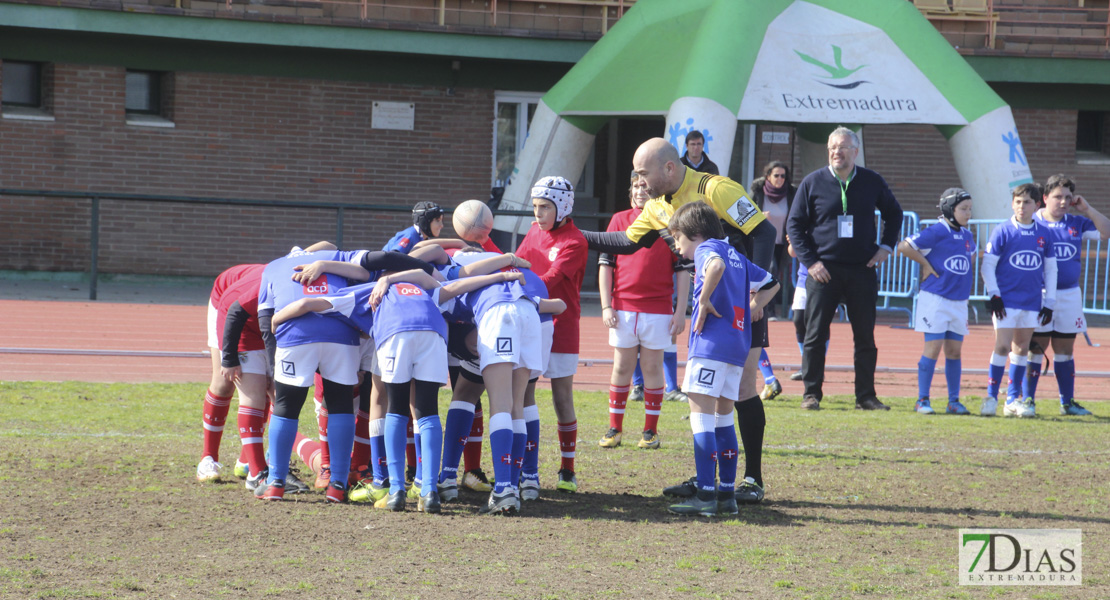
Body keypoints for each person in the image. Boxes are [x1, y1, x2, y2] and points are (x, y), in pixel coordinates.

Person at [582, 137, 776, 502]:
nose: (640, 181)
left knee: (742, 390)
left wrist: (754, 294)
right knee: (707, 394)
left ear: (668, 168)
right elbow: (627, 241)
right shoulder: (656, 206)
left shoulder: (715, 188)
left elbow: (763, 231)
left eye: (644, 173)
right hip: (708, 309)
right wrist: (576, 235)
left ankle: (752, 479)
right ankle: (711, 478)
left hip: (740, 303)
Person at [254, 247, 433, 502]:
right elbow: (366, 272)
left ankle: (276, 484)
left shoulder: (273, 266)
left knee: (285, 405)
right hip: (341, 334)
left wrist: (273, 366)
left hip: (294, 332)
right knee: (341, 405)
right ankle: (337, 485)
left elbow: (265, 316)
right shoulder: (337, 258)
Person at [664, 202, 779, 517]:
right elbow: (772, 283)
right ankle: (726, 496)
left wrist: (701, 302)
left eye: (678, 239)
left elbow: (714, 267)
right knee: (724, 418)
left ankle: (705, 494)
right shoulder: (738, 255)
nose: (677, 247)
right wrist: (754, 305)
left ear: (695, 234)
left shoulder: (707, 250)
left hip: (711, 346)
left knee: (700, 416)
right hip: (737, 347)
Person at [785, 127, 903, 411]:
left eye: (843, 147)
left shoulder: (871, 181)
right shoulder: (812, 182)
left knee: (865, 336)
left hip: (861, 269)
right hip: (823, 271)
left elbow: (894, 213)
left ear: (855, 151)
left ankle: (866, 396)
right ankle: (811, 394)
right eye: (832, 148)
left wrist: (886, 247)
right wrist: (811, 262)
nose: (837, 152)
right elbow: (794, 225)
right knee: (814, 335)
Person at [598, 175, 688, 450]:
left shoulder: (670, 221)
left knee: (651, 368)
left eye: (646, 187)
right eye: (636, 186)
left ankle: (651, 432)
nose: (640, 191)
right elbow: (606, 264)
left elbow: (682, 269)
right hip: (623, 307)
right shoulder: (618, 220)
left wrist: (680, 310)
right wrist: (605, 305)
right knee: (622, 367)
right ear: (630, 193)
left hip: (659, 309)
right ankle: (615, 429)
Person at [514, 176, 588, 493]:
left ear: (563, 207)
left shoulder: (575, 241)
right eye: (535, 206)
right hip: (530, 324)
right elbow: (516, 264)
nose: (538, 214)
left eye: (544, 207)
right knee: (524, 394)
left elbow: (550, 279)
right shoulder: (533, 231)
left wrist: (517, 286)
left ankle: (567, 470)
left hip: (562, 327)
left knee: (562, 399)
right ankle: (523, 468)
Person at [1024, 175, 1109, 416]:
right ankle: (1028, 400)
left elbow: (1107, 232)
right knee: (1037, 347)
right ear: (1044, 198)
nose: (1063, 202)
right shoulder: (1033, 222)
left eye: (1068, 197)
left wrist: (1088, 209)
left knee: (1065, 350)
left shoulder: (1076, 223)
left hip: (1070, 294)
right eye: (1057, 197)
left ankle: (1067, 402)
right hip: (1040, 295)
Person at [897, 188, 976, 416]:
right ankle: (922, 400)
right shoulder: (937, 230)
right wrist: (925, 264)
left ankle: (953, 401)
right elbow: (904, 246)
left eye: (970, 209)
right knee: (932, 349)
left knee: (954, 351)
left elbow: (967, 260)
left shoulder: (968, 235)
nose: (968, 213)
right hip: (936, 300)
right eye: (963, 209)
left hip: (959, 302)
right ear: (949, 210)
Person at [980, 183, 1057, 418]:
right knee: (1002, 346)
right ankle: (991, 397)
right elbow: (988, 265)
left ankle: (1011, 400)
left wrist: (1049, 302)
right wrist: (995, 294)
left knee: (1021, 348)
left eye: (1026, 202)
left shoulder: (1044, 234)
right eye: (1017, 201)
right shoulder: (1003, 230)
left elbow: (1051, 269)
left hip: (1031, 301)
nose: (1021, 206)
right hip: (1006, 301)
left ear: (1037, 205)